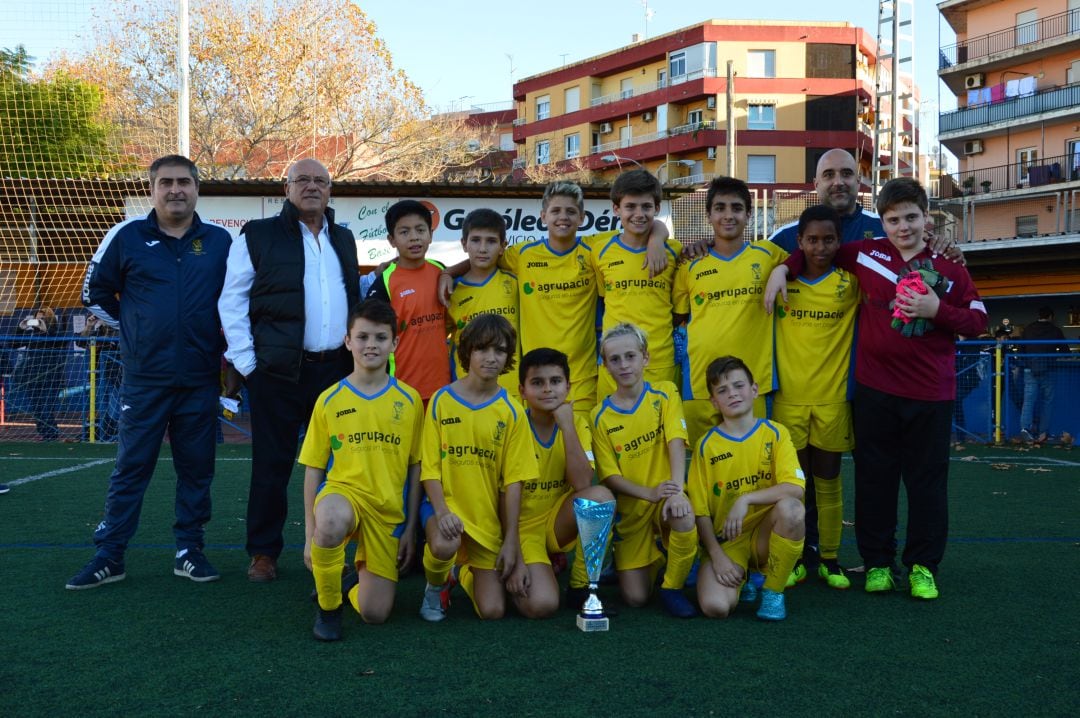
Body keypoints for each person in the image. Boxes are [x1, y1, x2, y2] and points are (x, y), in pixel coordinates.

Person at [766, 177, 987, 600]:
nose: (903, 227)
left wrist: (936, 309)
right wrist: (782, 269)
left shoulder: (950, 266)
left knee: (926, 485)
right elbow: (815, 251)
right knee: (874, 481)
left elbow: (977, 320)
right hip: (875, 392)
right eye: (893, 219)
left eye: (911, 217)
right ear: (880, 223)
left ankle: (923, 566)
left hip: (930, 395)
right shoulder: (865, 255)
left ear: (926, 218)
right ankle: (879, 563)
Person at [67, 154, 231, 589]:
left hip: (199, 378)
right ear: (152, 189)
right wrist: (138, 327)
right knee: (131, 466)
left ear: (197, 188)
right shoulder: (126, 236)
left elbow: (235, 301)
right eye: (166, 183)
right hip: (144, 379)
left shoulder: (219, 242)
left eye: (184, 182)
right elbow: (93, 293)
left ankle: (189, 551)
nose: (175, 190)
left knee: (197, 468)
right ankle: (110, 554)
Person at [219, 158, 359, 583]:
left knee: (346, 467)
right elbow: (232, 301)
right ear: (287, 188)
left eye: (320, 180)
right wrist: (249, 366)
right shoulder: (258, 236)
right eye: (303, 180)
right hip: (276, 375)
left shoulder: (345, 238)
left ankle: (346, 549)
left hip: (336, 372)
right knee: (272, 465)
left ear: (330, 190)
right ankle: (264, 553)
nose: (312, 187)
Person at [439, 181, 670, 422]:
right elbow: (483, 257)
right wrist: (447, 272)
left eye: (571, 211)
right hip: (535, 378)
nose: (563, 217)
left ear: (582, 217)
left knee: (582, 450)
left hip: (582, 379)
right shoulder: (523, 255)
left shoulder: (594, 250)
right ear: (543, 216)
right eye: (556, 211)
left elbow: (646, 226)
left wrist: (656, 240)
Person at [298, 300, 424, 641]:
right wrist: (310, 533)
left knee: (375, 613)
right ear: (348, 341)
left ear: (394, 344)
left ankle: (352, 581)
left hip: (387, 511)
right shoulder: (329, 399)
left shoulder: (410, 401)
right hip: (344, 496)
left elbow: (415, 468)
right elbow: (313, 469)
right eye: (363, 336)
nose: (371, 344)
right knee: (331, 521)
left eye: (381, 337)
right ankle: (328, 607)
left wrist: (410, 527)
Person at [418, 314, 538, 622]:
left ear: (508, 357)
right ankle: (435, 586)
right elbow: (429, 469)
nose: (491, 357)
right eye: (482, 349)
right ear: (467, 352)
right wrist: (443, 511)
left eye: (499, 351)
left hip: (485, 520)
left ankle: (462, 573)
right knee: (446, 542)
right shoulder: (442, 400)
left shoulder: (512, 411)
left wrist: (511, 541)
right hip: (444, 510)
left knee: (493, 611)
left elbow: (514, 483)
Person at [673, 356, 806, 621]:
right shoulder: (706, 446)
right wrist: (716, 556)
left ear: (754, 389)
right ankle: (741, 577)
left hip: (766, 535)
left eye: (738, 386)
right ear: (713, 401)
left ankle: (772, 591)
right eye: (722, 390)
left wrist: (746, 499)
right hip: (728, 542)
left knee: (792, 509)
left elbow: (795, 488)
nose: (732, 394)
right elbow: (700, 512)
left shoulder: (775, 433)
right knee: (715, 607)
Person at [771, 206, 858, 590]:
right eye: (812, 239)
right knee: (797, 485)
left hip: (832, 400)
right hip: (789, 400)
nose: (820, 247)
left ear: (839, 242)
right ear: (799, 242)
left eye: (828, 239)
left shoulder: (851, 283)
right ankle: (797, 556)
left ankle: (830, 559)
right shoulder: (780, 283)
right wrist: (780, 269)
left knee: (829, 482)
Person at [590, 323, 697, 618]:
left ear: (645, 358)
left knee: (683, 512)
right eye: (615, 359)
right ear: (606, 366)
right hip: (635, 511)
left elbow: (677, 440)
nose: (624, 365)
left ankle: (672, 586)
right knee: (635, 598)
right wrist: (647, 493)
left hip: (666, 497)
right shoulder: (599, 417)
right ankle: (662, 559)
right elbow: (609, 476)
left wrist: (677, 490)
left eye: (630, 356)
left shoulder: (665, 394)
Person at [673, 176, 786, 446]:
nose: (728, 215)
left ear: (749, 214)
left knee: (753, 461)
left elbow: (804, 261)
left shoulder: (768, 254)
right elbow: (678, 317)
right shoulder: (690, 264)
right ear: (709, 214)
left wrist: (783, 268)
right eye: (720, 208)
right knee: (703, 462)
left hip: (753, 383)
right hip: (699, 383)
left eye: (736, 208)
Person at [516, 348, 614, 618]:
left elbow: (583, 482)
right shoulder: (513, 425)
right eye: (538, 383)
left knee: (599, 498)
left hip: (556, 522)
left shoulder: (577, 423)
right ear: (522, 390)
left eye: (556, 381)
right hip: (520, 529)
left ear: (568, 387)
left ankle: (582, 587)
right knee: (542, 605)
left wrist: (567, 426)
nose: (548, 389)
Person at [592, 169, 683, 399]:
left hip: (660, 360)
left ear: (657, 209)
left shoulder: (675, 251)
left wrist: (657, 238)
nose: (639, 214)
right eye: (630, 206)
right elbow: (605, 298)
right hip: (614, 363)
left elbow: (679, 309)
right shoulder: (600, 251)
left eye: (646, 207)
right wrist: (658, 236)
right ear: (616, 209)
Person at [366, 200, 450, 403]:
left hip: (443, 388)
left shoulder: (441, 271)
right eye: (404, 232)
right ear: (391, 240)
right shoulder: (385, 282)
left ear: (431, 234)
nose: (414, 237)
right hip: (400, 390)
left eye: (420, 230)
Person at [447, 208, 519, 397]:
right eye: (476, 240)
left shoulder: (516, 283)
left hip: (513, 390)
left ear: (503, 245)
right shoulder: (450, 292)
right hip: (467, 391)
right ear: (464, 244)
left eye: (491, 241)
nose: (483, 248)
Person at [768, 149, 884, 253]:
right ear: (816, 184)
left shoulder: (885, 230)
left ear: (858, 182)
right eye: (829, 175)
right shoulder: (785, 238)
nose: (838, 182)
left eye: (847, 174)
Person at [1018, 307, 1069, 444]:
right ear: (1051, 317)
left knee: (1028, 401)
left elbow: (1021, 350)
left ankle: (1025, 429)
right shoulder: (1055, 330)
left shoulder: (1028, 329)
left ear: (1038, 315)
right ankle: (1042, 432)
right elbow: (1066, 351)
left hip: (1030, 369)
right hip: (1049, 368)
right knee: (1047, 401)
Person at [12, 307, 63, 441]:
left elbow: (58, 341)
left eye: (42, 319)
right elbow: (13, 344)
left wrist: (45, 329)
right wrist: (21, 328)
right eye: (37, 319)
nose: (39, 321)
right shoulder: (31, 335)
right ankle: (44, 433)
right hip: (33, 377)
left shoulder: (56, 333)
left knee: (46, 408)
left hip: (51, 377)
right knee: (37, 409)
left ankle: (51, 435)